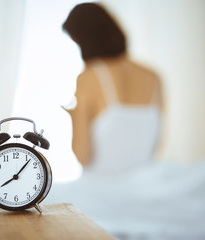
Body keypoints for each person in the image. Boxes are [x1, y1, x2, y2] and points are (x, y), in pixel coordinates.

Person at [63, 2, 164, 174]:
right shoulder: (153, 76)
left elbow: (83, 156)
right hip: (144, 190)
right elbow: (156, 145)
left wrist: (74, 115)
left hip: (101, 193)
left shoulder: (88, 77)